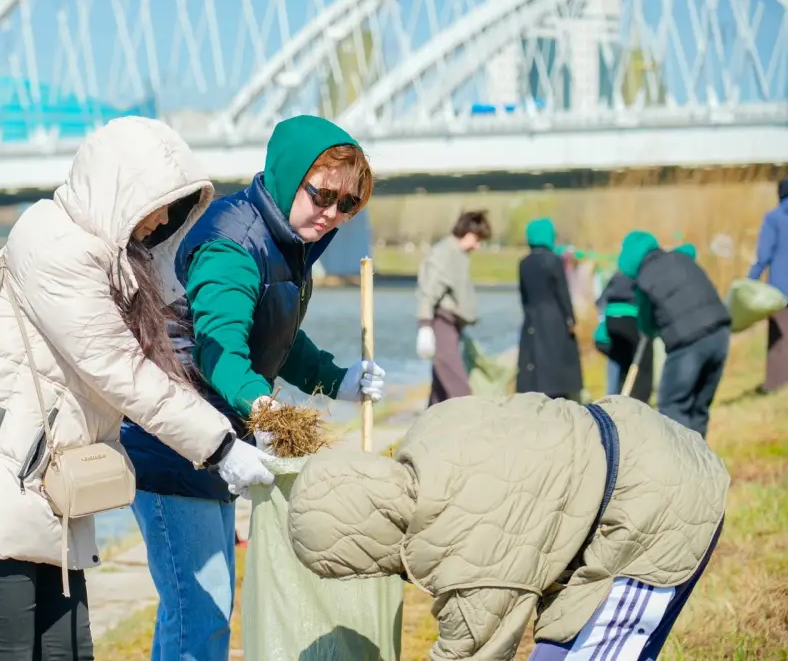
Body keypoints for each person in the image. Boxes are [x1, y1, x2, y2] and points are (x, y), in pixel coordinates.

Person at [0, 117, 274, 660]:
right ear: (122, 186)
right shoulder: (53, 247)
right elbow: (117, 367)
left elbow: (170, 355)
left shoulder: (113, 264)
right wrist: (219, 447)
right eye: (159, 202)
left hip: (47, 492)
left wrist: (252, 422)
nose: (166, 218)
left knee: (71, 653)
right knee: (8, 654)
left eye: (176, 206)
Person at [120, 114, 385, 661]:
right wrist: (264, 410)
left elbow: (277, 337)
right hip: (176, 444)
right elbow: (220, 349)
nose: (332, 213)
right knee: (202, 616)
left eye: (348, 204)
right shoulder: (232, 244)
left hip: (218, 442)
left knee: (193, 613)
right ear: (290, 178)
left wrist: (340, 380)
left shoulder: (285, 241)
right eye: (322, 196)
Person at [286, 393, 729, 661]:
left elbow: (474, 650)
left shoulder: (463, 547)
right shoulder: (433, 427)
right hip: (627, 444)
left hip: (658, 509)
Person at [618, 231, 731, 439]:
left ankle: (682, 463)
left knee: (672, 404)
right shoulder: (681, 258)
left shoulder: (644, 278)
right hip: (720, 334)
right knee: (699, 405)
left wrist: (649, 329)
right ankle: (700, 462)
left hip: (689, 342)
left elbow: (647, 323)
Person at [415, 210, 492, 405]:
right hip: (442, 324)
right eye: (477, 239)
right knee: (459, 389)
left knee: (440, 391)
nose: (478, 245)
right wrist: (424, 326)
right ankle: (471, 428)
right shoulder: (445, 253)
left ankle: (431, 429)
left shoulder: (458, 254)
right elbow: (429, 290)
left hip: (452, 326)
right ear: (467, 232)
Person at [516, 218, 583, 400]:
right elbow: (562, 292)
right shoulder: (553, 261)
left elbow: (523, 294)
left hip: (532, 316)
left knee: (535, 360)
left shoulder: (524, 263)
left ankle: (535, 394)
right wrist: (571, 318)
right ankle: (560, 393)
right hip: (555, 318)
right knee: (556, 359)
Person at [748, 175, 788, 392]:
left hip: (779, 289)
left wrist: (751, 281)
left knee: (780, 337)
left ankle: (777, 383)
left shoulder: (774, 218)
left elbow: (764, 254)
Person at [593, 269, 654, 401]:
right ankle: (639, 401)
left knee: (617, 360)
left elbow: (599, 301)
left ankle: (614, 398)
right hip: (632, 318)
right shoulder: (642, 273)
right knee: (642, 362)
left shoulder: (618, 274)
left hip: (611, 321)